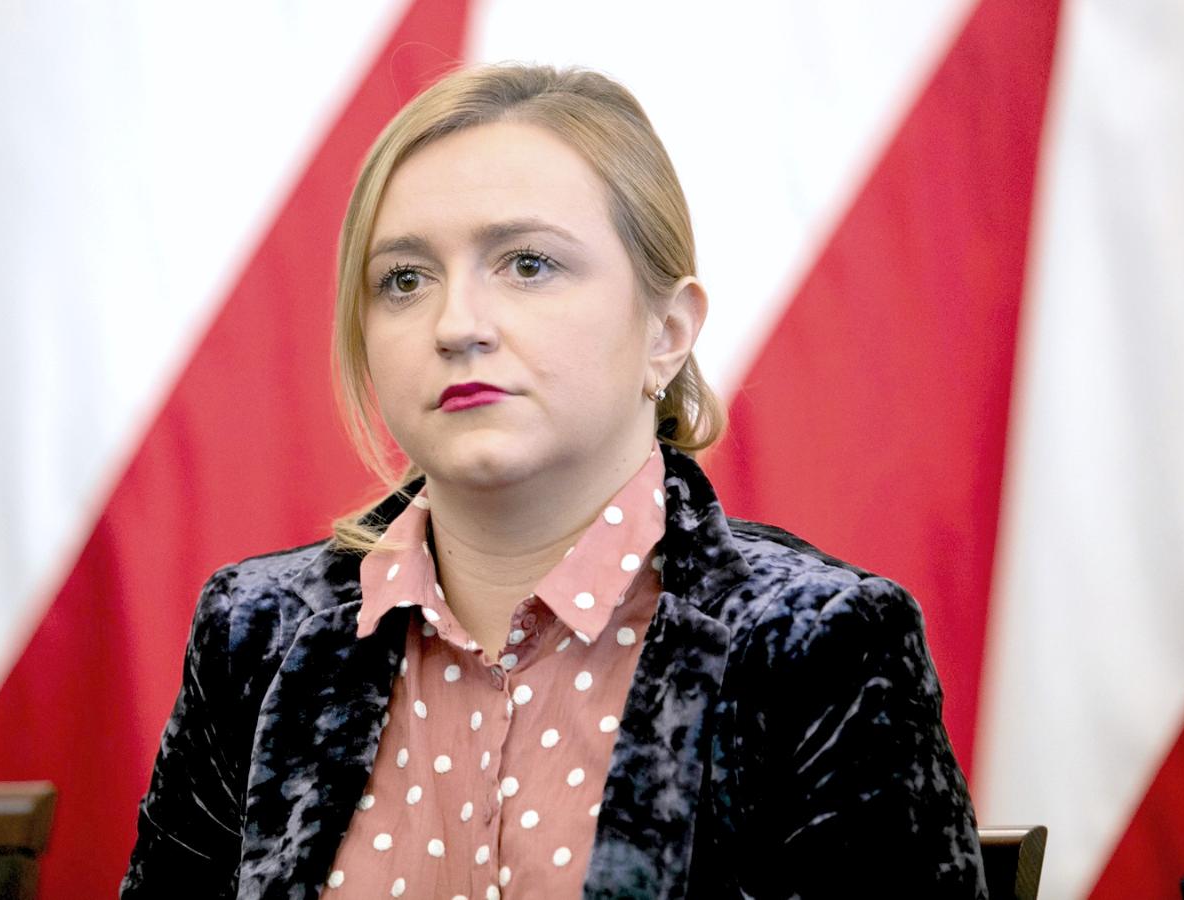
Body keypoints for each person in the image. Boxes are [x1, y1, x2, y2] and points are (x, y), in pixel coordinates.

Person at [121, 64, 987, 899]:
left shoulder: (817, 646)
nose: (457, 325)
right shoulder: (254, 634)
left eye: (528, 264)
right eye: (405, 279)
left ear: (667, 331)